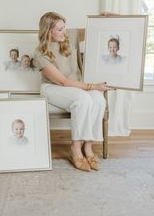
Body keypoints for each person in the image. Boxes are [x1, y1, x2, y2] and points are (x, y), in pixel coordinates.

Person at [34, 11, 112, 172]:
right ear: (48, 31)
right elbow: (63, 81)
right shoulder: (40, 53)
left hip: (76, 85)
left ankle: (88, 147)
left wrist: (110, 16)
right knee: (83, 100)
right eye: (60, 29)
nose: (65, 32)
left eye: (64, 27)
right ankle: (76, 148)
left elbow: (99, 28)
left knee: (99, 100)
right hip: (53, 88)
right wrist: (93, 86)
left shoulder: (70, 35)